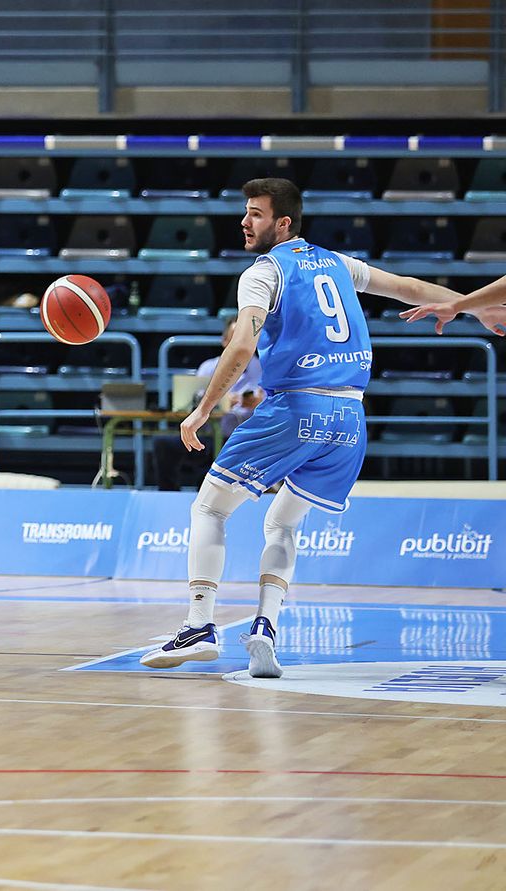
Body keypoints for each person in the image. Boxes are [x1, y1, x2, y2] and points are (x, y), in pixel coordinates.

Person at [141, 177, 499, 679]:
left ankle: (199, 623)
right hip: (350, 418)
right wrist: (474, 307)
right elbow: (410, 289)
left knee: (209, 506)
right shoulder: (336, 262)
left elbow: (242, 347)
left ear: (282, 223)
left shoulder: (263, 272)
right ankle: (264, 628)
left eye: (255, 214)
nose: (244, 222)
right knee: (283, 523)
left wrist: (203, 409)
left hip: (296, 406)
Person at [151, 315, 263, 492]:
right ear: (224, 341)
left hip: (240, 439)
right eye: (233, 338)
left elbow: (267, 401)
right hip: (207, 435)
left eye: (243, 338)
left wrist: (257, 402)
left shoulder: (262, 368)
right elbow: (194, 399)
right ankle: (168, 495)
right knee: (163, 444)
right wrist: (224, 400)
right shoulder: (208, 367)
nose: (238, 343)